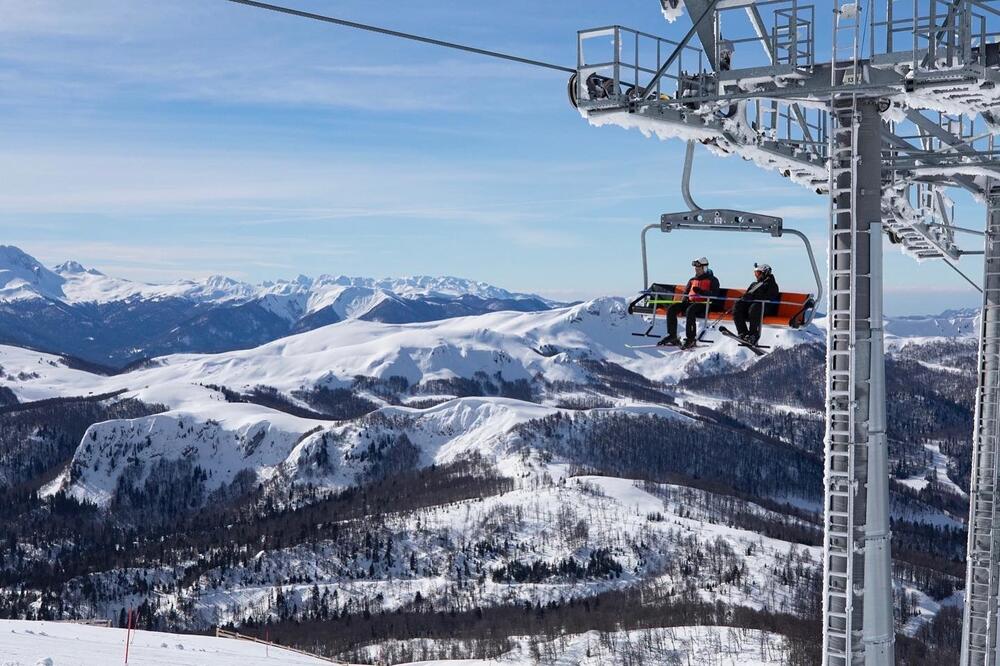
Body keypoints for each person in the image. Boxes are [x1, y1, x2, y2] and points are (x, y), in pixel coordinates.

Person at [658, 257, 719, 349]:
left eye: (698, 269)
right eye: (696, 269)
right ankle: (672, 335)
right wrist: (683, 302)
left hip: (704, 304)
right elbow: (686, 293)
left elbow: (715, 295)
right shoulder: (692, 280)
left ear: (704, 268)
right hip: (691, 302)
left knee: (690, 310)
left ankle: (691, 338)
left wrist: (702, 292)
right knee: (672, 308)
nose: (696, 270)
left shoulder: (713, 280)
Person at [733, 262, 779, 346]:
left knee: (755, 306)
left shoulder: (771, 285)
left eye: (758, 273)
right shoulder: (754, 284)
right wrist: (743, 298)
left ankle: (753, 334)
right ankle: (743, 333)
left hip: (765, 308)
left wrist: (753, 297)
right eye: (755, 273)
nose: (756, 276)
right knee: (738, 305)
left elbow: (768, 297)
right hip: (752, 308)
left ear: (765, 273)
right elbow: (747, 294)